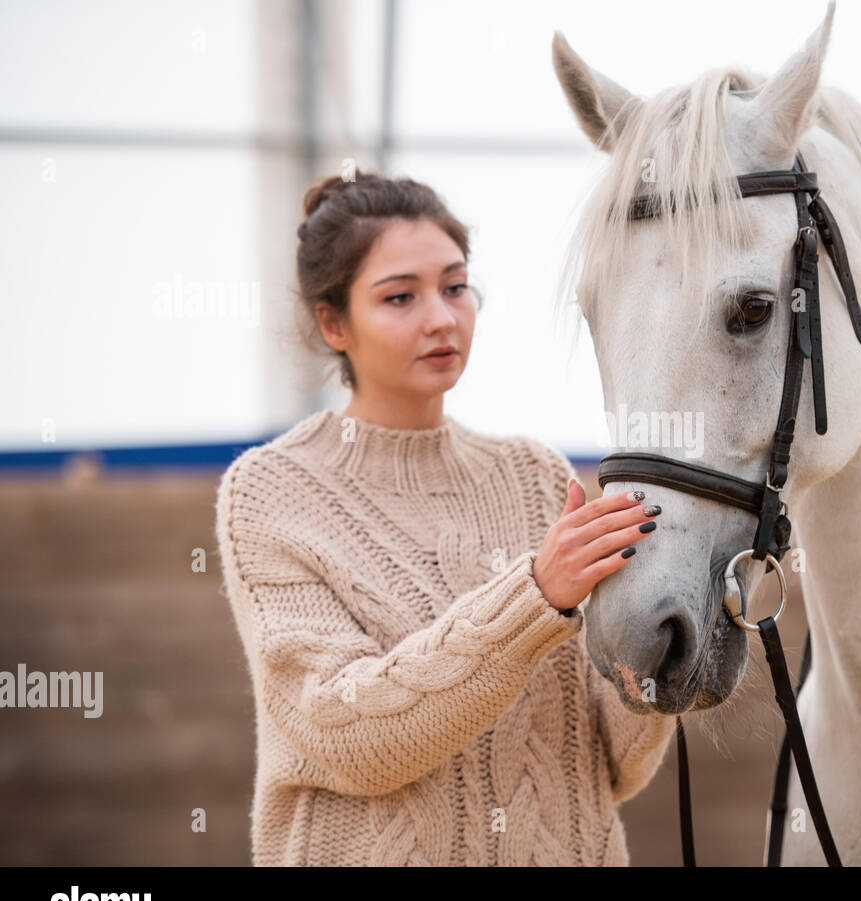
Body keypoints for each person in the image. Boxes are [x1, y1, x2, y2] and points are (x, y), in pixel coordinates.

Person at [214, 170, 676, 865]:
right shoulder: (271, 492)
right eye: (400, 297)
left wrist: (664, 633)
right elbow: (348, 739)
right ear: (333, 323)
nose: (441, 317)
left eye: (456, 287)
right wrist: (533, 598)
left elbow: (609, 764)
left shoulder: (536, 474)